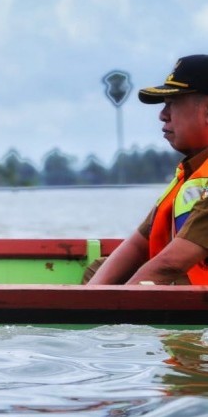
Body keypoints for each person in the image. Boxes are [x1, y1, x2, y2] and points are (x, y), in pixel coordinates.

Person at [88, 54, 208, 285]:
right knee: (99, 268)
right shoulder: (191, 175)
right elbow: (137, 245)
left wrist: (107, 311)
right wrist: (92, 295)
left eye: (173, 104)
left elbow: (169, 265)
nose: (162, 115)